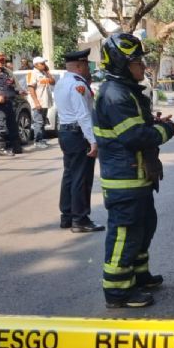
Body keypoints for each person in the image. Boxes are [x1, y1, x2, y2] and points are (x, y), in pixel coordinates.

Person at [95, 33, 174, 309]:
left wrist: (152, 121)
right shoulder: (115, 94)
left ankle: (138, 275)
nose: (143, 67)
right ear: (121, 64)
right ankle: (118, 291)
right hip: (124, 178)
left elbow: (134, 126)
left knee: (144, 227)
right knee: (126, 232)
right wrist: (164, 129)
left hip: (137, 176)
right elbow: (134, 137)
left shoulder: (125, 91)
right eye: (137, 62)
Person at [52, 49, 104, 233]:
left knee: (70, 176)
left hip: (66, 132)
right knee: (81, 177)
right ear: (80, 66)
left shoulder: (62, 82)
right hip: (77, 133)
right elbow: (83, 115)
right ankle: (80, 219)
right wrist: (93, 141)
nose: (88, 69)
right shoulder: (77, 85)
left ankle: (67, 216)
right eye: (86, 65)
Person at [26, 56, 56, 149]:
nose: (44, 65)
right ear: (36, 65)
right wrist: (36, 102)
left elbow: (53, 82)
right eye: (42, 63)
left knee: (42, 122)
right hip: (38, 102)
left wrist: (47, 72)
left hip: (45, 102)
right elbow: (31, 88)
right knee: (38, 122)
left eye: (44, 63)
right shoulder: (32, 73)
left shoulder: (44, 73)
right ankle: (37, 141)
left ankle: (42, 139)